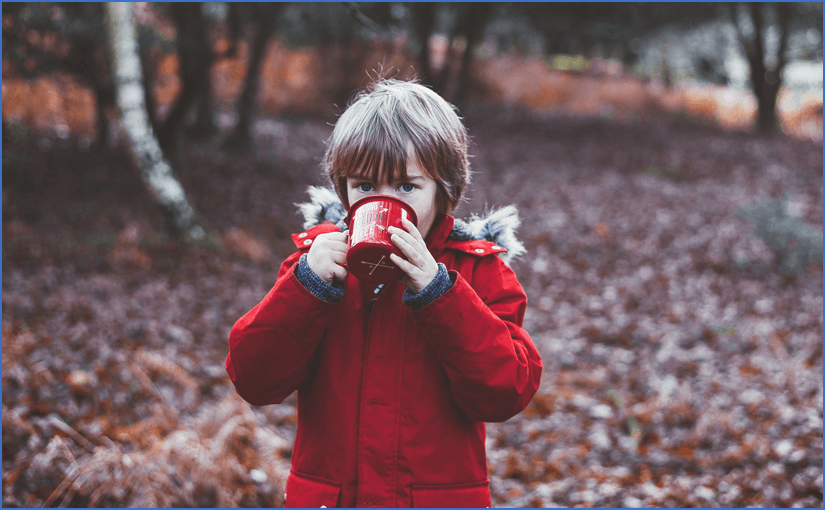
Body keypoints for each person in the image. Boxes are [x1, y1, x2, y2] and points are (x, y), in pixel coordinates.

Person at [226, 78, 542, 508]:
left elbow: (505, 391)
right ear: (344, 188)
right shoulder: (315, 266)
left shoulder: (476, 271)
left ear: (444, 189)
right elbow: (253, 378)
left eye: (406, 187)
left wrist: (439, 293)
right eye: (364, 186)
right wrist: (309, 287)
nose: (383, 200)